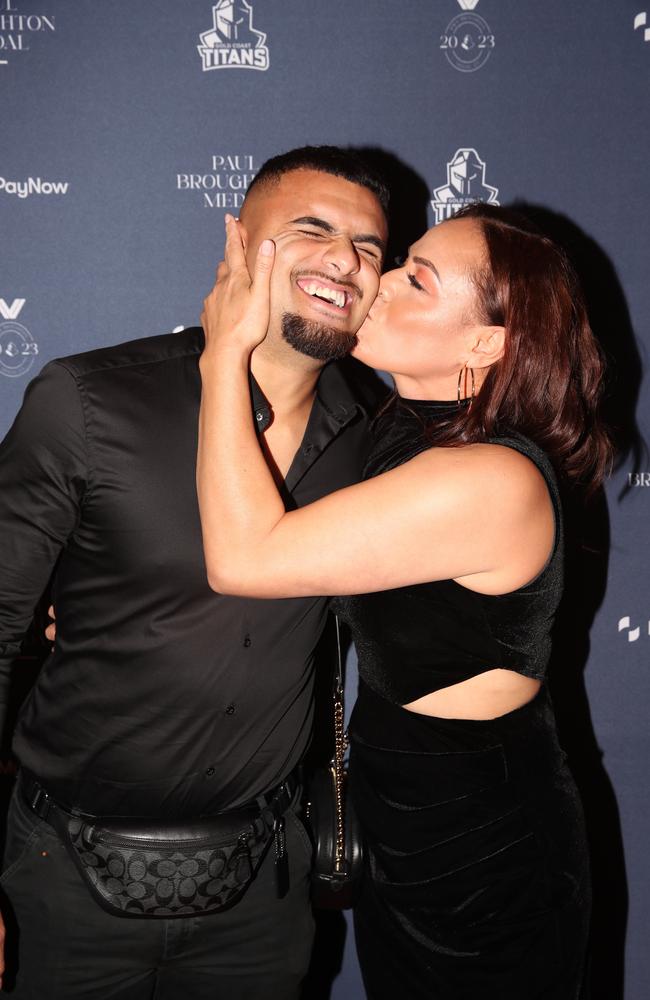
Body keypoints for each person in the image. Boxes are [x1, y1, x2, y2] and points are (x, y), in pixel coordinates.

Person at [0, 146, 389, 999]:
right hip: (62, 877)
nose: (345, 261)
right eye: (313, 229)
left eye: (369, 247)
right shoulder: (90, 402)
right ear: (239, 240)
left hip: (263, 893)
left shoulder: (382, 442)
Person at [196, 204, 611, 999]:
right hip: (409, 813)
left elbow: (247, 556)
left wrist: (225, 354)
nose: (378, 281)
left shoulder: (488, 478)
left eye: (415, 280)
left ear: (485, 342)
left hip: (487, 842)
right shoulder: (404, 426)